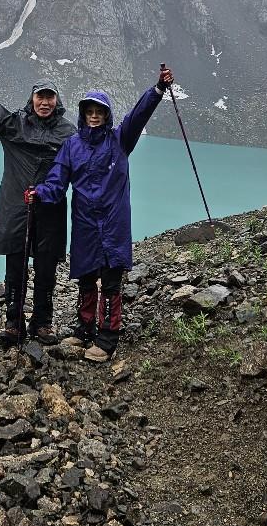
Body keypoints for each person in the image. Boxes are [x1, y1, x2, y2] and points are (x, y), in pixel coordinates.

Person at [25, 66, 174, 362]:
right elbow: (57, 181)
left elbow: (138, 115)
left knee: (110, 280)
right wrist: (39, 193)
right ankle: (84, 330)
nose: (94, 116)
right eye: (90, 111)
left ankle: (107, 337)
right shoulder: (72, 146)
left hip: (113, 221)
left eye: (99, 112)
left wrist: (157, 89)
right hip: (85, 223)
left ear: (107, 115)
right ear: (83, 114)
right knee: (86, 277)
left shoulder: (120, 140)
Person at [0, 61, 76, 346]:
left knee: (46, 267)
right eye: (40, 96)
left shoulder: (68, 133)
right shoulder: (15, 124)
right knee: (15, 265)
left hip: (50, 207)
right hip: (17, 205)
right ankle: (14, 323)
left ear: (56, 101)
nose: (44, 102)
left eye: (50, 97)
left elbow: (83, 162)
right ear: (32, 99)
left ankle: (42, 323)